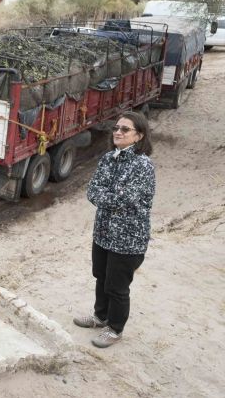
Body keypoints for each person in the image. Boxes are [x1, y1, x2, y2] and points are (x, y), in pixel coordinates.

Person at [74, 111, 155, 348]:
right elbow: (92, 191)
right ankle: (100, 317)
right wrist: (109, 196)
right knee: (100, 277)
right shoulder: (109, 158)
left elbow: (126, 199)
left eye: (125, 129)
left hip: (128, 238)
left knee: (117, 287)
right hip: (103, 233)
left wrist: (107, 196)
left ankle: (115, 329)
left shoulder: (143, 165)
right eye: (116, 128)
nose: (118, 132)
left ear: (139, 136)